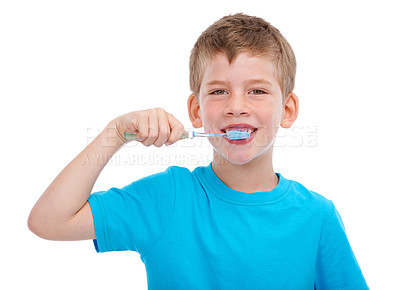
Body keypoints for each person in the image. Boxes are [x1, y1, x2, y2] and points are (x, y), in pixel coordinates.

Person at [28, 13, 369, 289]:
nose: (237, 106)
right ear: (196, 110)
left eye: (257, 91)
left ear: (288, 110)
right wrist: (115, 132)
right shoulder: (167, 198)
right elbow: (48, 222)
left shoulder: (318, 216)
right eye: (219, 91)